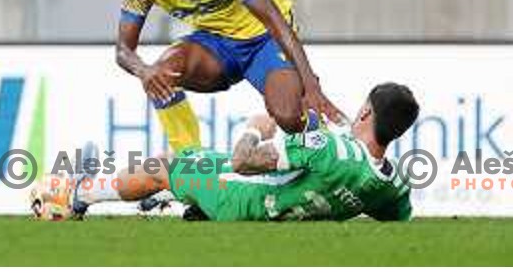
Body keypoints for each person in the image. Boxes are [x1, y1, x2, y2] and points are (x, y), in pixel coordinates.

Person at [115, 0, 344, 154]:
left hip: (265, 38)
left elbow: (275, 21)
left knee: (288, 116)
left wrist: (311, 86)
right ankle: (190, 160)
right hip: (216, 44)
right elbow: (123, 50)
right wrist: (144, 71)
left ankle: (333, 146)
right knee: (163, 72)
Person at [32, 82, 419, 222]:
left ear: (366, 111)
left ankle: (77, 196)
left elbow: (242, 163)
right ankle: (172, 200)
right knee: (198, 158)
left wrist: (256, 127)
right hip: (284, 204)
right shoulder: (393, 184)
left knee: (168, 164)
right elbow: (396, 220)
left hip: (247, 201)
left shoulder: (330, 148)